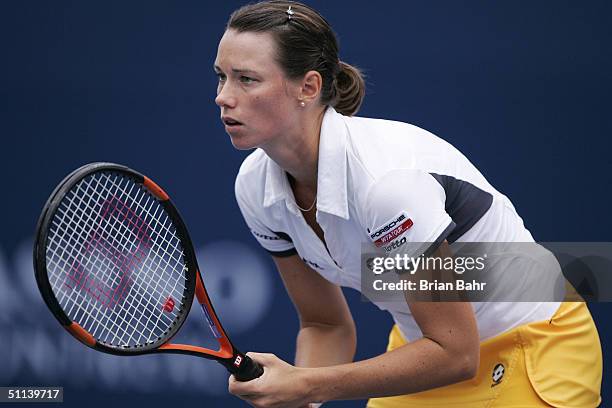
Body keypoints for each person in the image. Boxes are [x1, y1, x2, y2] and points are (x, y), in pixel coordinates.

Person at [213, 1, 603, 407]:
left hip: (533, 345)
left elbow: (456, 354)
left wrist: (307, 384)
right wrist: (300, 400)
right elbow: (324, 324)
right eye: (221, 77)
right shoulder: (254, 187)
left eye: (246, 79)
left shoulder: (386, 186)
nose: (224, 97)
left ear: (308, 88)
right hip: (426, 350)